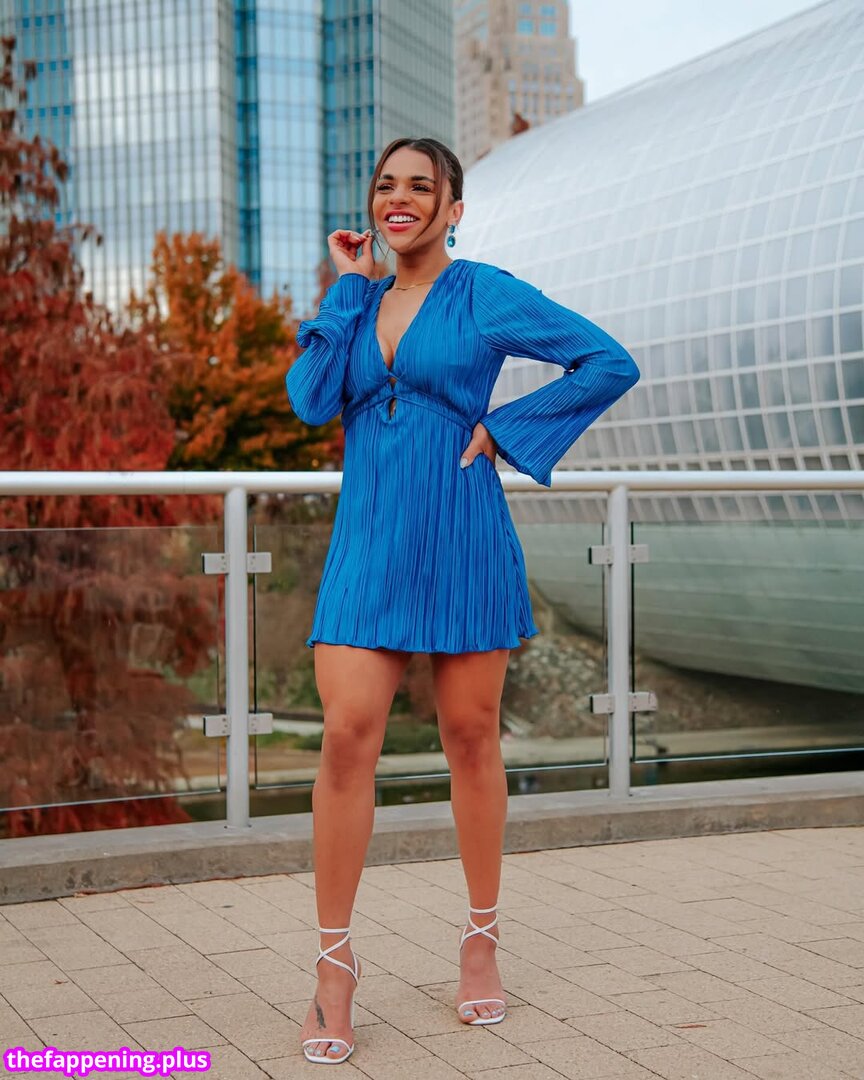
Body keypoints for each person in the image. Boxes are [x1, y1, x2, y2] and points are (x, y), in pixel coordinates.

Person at [286, 137, 640, 1064]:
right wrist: (346, 289)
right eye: (385, 186)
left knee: (473, 736)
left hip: (463, 532)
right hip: (369, 542)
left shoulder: (483, 292)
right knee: (347, 735)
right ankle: (334, 965)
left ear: (453, 208)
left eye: (421, 187)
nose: (399, 199)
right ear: (373, 205)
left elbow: (606, 362)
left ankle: (481, 940)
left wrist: (506, 429)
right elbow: (312, 401)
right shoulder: (358, 301)